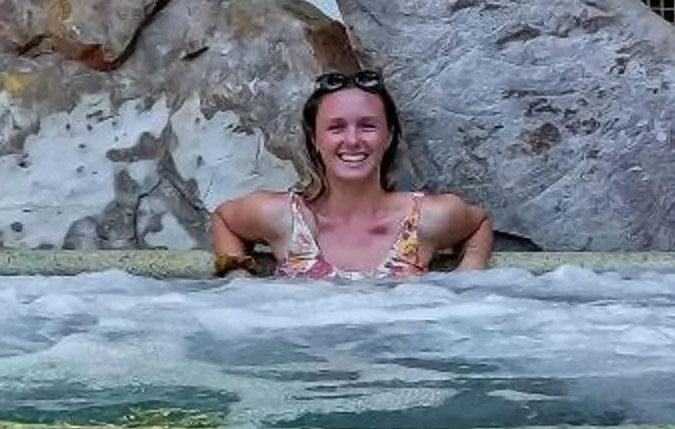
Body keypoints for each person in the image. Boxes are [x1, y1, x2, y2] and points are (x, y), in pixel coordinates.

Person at [211, 72, 494, 279]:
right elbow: (224, 219)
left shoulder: (427, 218)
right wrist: (238, 279)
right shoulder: (282, 217)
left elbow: (478, 222)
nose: (353, 140)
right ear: (315, 140)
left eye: (368, 126)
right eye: (336, 128)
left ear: (388, 136)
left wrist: (470, 275)